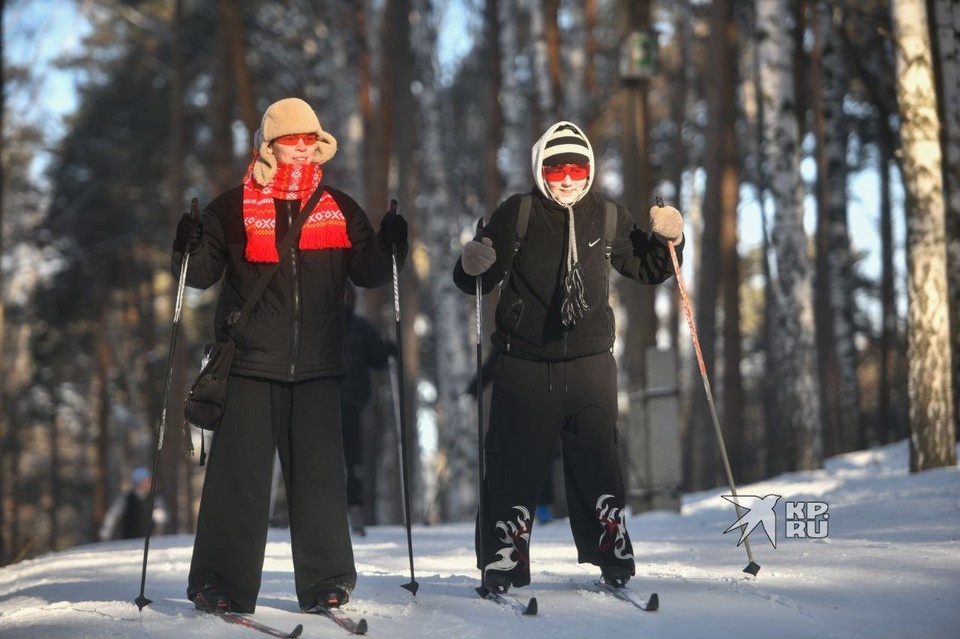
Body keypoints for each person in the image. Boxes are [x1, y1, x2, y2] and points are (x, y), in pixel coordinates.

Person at [172, 97, 408, 614]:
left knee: (321, 483)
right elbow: (202, 273)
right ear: (269, 147)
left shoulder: (339, 208)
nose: (301, 149)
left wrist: (393, 245)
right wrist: (186, 244)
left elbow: (369, 271)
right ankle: (219, 583)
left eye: (310, 140)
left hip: (320, 367)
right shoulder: (233, 208)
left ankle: (326, 582)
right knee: (240, 481)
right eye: (290, 140)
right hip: (251, 364)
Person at [452, 120, 684, 594]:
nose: (567, 178)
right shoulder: (518, 213)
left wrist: (671, 238)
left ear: (590, 169)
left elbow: (649, 267)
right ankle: (503, 559)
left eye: (577, 168)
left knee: (598, 459)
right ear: (541, 169)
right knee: (514, 460)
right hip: (524, 362)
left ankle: (611, 551)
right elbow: (479, 276)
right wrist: (470, 261)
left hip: (590, 363)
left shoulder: (609, 215)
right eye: (556, 168)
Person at [340, 283, 394, 536]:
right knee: (322, 459)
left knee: (354, 460)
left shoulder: (361, 328)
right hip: (321, 403)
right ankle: (322, 510)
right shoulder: (321, 326)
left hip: (351, 402)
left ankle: (355, 509)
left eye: (347, 296)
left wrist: (387, 351)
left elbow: (377, 358)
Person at [99, 467, 168, 541]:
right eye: (145, 481)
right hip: (129, 541)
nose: (149, 483)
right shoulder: (127, 498)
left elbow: (163, 515)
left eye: (149, 480)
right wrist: (107, 528)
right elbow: (114, 514)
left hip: (150, 541)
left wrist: (160, 517)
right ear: (138, 482)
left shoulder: (156, 497)